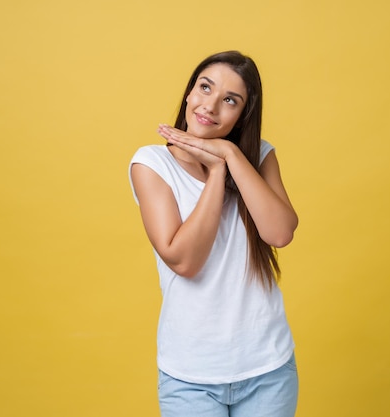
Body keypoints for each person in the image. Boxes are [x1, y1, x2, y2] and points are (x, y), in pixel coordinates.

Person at [128, 50, 299, 417]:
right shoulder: (152, 164)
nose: (210, 105)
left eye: (230, 100)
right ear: (189, 93)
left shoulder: (260, 157)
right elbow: (184, 260)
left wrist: (231, 157)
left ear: (241, 116)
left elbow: (280, 232)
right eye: (205, 88)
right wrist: (217, 173)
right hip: (190, 375)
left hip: (268, 368)